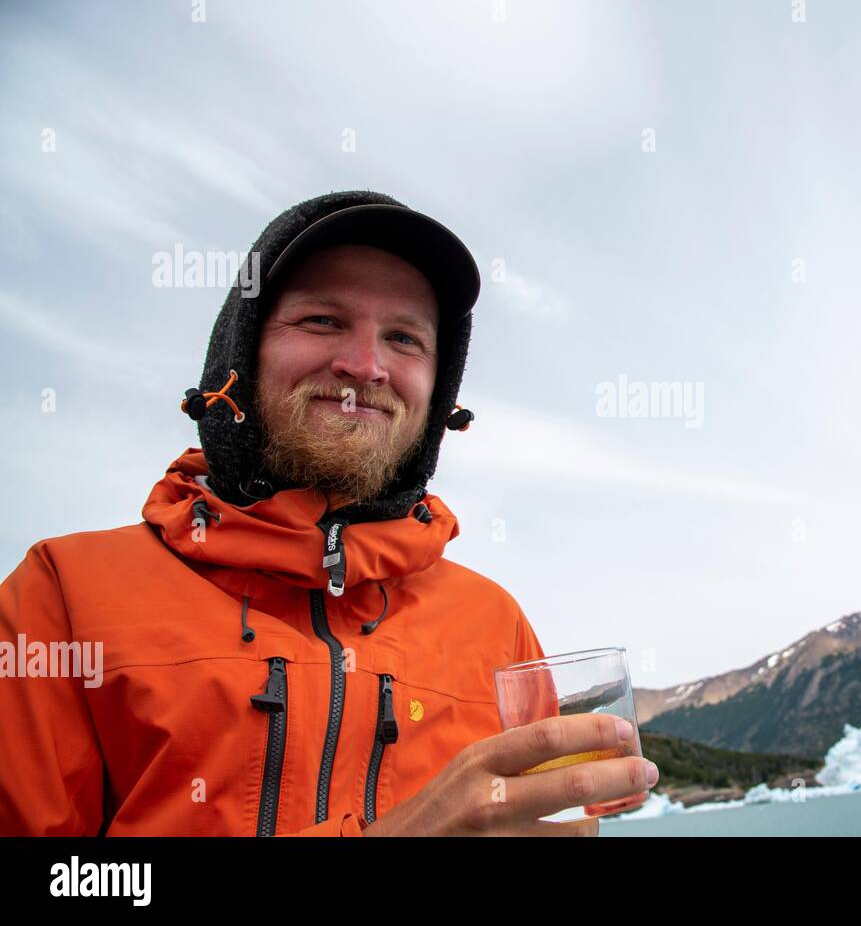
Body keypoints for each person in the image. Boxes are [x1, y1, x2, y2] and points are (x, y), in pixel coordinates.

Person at [0, 190, 657, 836]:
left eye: (404, 337)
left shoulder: (498, 626)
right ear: (240, 354)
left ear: (438, 395)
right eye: (322, 320)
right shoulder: (63, 597)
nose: (365, 366)